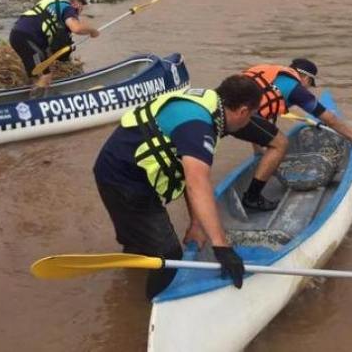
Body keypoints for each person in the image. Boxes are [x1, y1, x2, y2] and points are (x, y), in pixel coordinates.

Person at [93, 75, 262, 299]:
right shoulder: (198, 126)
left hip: (116, 168)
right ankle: (153, 310)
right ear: (242, 111)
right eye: (251, 116)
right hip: (125, 181)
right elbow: (197, 183)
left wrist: (196, 223)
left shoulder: (207, 102)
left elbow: (184, 172)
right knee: (169, 254)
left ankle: (131, 282)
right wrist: (222, 247)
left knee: (139, 240)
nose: (249, 122)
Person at [230, 58, 352, 213]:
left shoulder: (270, 74)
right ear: (306, 78)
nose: (308, 88)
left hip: (224, 112)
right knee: (281, 143)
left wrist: (258, 151)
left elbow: (259, 114)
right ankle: (252, 197)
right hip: (241, 118)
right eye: (309, 84)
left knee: (268, 134)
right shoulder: (295, 89)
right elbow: (329, 118)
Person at [9, 0, 100, 93]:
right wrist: (93, 31)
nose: (82, 9)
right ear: (75, 3)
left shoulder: (51, 3)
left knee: (37, 72)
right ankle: (38, 104)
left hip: (17, 35)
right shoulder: (67, 8)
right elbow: (77, 28)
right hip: (28, 38)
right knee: (44, 75)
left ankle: (32, 93)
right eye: (82, 4)